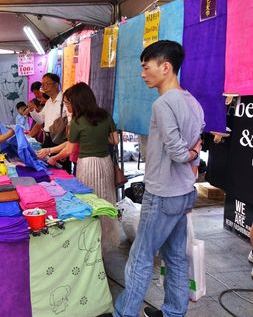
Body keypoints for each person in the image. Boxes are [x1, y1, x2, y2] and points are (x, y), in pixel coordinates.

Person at [114, 40, 204, 317]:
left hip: (163, 194)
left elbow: (180, 151)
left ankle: (124, 313)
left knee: (140, 257)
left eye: (146, 67)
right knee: (175, 257)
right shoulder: (192, 101)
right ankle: (173, 313)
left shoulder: (164, 104)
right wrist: (193, 155)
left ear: (165, 67)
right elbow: (196, 143)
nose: (142, 73)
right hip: (183, 192)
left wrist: (189, 154)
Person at [65, 82, 119, 253]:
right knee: (105, 198)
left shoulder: (77, 121)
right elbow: (115, 140)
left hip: (87, 164)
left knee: (88, 201)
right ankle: (107, 240)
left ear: (77, 102)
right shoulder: (105, 115)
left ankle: (89, 242)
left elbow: (69, 149)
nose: (68, 106)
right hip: (104, 162)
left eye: (69, 102)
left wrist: (51, 156)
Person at [29, 73, 72, 173]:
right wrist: (33, 111)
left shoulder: (64, 101)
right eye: (43, 84)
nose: (44, 87)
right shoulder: (48, 102)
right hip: (47, 139)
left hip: (59, 140)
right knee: (48, 169)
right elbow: (40, 120)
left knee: (62, 171)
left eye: (47, 84)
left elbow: (70, 122)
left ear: (56, 84)